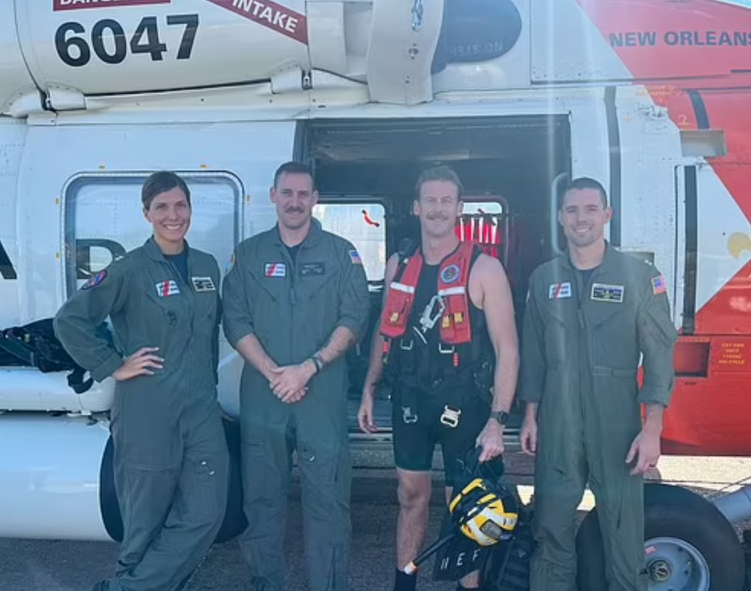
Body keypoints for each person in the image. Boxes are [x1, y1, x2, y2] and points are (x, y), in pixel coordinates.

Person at [54, 171, 231, 591]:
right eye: (162, 207)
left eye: (180, 205)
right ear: (147, 214)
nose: (174, 215)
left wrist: (209, 390)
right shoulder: (129, 269)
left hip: (202, 410)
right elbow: (70, 320)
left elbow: (205, 337)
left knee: (206, 512)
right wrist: (113, 364)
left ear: (190, 208)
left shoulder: (206, 265)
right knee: (145, 525)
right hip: (148, 410)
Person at [358, 165, 520, 591]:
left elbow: (509, 350)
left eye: (446, 200)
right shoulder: (400, 262)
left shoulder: (484, 269)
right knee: (410, 498)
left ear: (460, 208)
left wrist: (497, 421)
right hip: (410, 398)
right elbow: (384, 330)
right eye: (429, 200)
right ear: (416, 206)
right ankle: (404, 585)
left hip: (465, 402)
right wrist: (370, 388)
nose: (437, 208)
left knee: (465, 506)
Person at [517, 177, 679, 591]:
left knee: (624, 536)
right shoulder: (543, 279)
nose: (581, 218)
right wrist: (531, 415)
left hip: (618, 424)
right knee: (550, 528)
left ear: (607, 215)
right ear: (560, 218)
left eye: (591, 209)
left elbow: (659, 353)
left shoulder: (640, 277)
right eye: (571, 210)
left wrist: (652, 429)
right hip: (557, 420)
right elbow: (533, 353)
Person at [221, 160, 370, 591]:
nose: (295, 202)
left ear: (315, 200)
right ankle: (265, 583)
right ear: (273, 196)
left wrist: (308, 368)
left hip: (319, 395)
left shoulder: (342, 254)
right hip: (264, 395)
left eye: (304, 194)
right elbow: (235, 321)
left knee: (328, 502)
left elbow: (354, 316)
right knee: (262, 501)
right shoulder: (248, 255)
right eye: (287, 193)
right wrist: (274, 373)